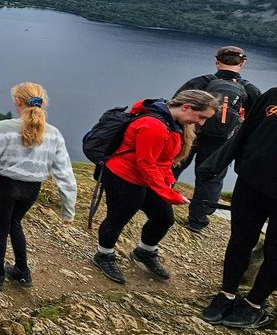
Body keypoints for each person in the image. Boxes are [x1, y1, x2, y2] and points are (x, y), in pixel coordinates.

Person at [91, 89, 217, 285]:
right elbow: (146, 164)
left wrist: (168, 185)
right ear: (186, 107)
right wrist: (170, 194)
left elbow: (163, 161)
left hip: (145, 177)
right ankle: (104, 255)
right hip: (124, 177)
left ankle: (145, 251)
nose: (201, 123)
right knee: (118, 219)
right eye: (201, 117)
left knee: (164, 219)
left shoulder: (172, 123)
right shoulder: (153, 125)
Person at [199, 82, 277, 329]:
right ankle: (227, 294)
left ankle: (254, 304)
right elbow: (245, 131)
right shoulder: (276, 96)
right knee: (240, 240)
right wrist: (215, 163)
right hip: (251, 184)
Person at [0, 82, 77, 291]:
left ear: (17, 102)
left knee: (1, 226)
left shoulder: (2, 128)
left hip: (5, 185)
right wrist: (68, 210)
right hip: (31, 189)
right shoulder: (53, 134)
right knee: (15, 222)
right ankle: (22, 271)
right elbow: (64, 173)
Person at [173, 46, 260, 233]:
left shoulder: (201, 82)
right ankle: (197, 221)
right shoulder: (250, 90)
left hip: (191, 135)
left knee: (174, 166)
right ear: (242, 63)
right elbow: (257, 121)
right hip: (222, 143)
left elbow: (175, 105)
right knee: (211, 179)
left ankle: (157, 201)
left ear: (217, 62)